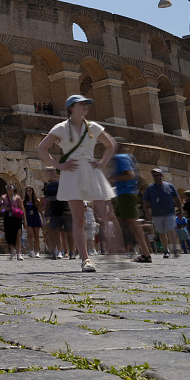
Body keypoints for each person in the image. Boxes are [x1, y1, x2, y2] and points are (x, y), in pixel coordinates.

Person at [36, 94, 117, 273]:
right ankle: (85, 259)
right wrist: (58, 165)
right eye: (81, 104)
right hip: (72, 172)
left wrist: (103, 163)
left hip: (91, 170)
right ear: (71, 107)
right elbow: (41, 148)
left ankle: (113, 252)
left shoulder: (93, 127)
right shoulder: (61, 128)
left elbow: (110, 144)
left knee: (105, 214)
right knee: (78, 218)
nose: (86, 106)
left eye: (87, 103)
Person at [108, 138, 152, 263]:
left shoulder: (121, 157)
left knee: (133, 224)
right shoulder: (125, 157)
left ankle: (145, 253)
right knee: (125, 223)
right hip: (125, 194)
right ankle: (130, 251)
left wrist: (113, 177)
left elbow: (130, 174)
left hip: (126, 193)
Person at [142, 168, 182, 258]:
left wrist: (180, 211)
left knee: (171, 229)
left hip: (170, 213)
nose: (156, 177)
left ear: (162, 176)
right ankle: (166, 250)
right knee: (162, 232)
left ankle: (175, 248)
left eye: (158, 175)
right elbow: (144, 200)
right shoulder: (150, 188)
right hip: (157, 214)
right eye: (154, 176)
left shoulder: (169, 186)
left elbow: (177, 199)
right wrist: (146, 212)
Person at [42, 167, 71, 259]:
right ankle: (55, 250)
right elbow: (47, 200)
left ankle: (64, 251)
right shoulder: (48, 185)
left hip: (63, 209)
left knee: (65, 232)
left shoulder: (62, 182)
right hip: (53, 211)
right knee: (54, 232)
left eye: (51, 171)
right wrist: (46, 213)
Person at [0, 184, 25, 260]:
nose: (9, 189)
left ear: (14, 188)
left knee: (18, 235)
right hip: (8, 217)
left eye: (11, 187)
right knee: (8, 235)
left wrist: (25, 221)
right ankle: (12, 250)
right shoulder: (3, 197)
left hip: (16, 218)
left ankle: (19, 253)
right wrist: (5, 209)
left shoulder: (17, 197)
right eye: (7, 187)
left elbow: (22, 209)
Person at [22, 185, 43, 258]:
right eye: (27, 190)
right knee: (30, 235)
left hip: (36, 218)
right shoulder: (24, 201)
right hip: (28, 219)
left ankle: (37, 251)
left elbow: (40, 211)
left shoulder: (37, 200)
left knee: (36, 235)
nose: (28, 192)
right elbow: (23, 211)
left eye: (30, 190)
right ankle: (31, 250)